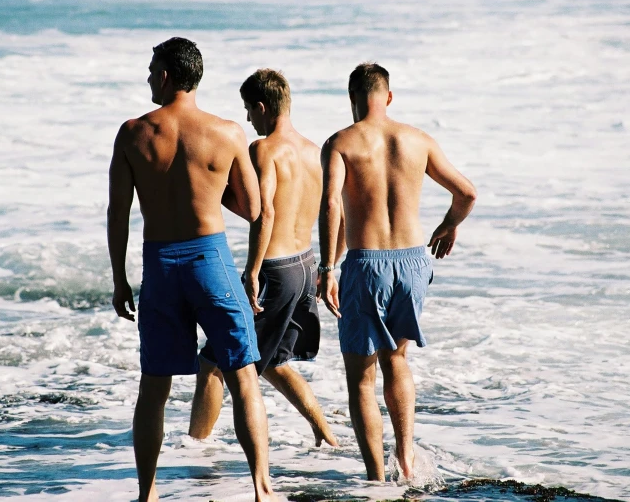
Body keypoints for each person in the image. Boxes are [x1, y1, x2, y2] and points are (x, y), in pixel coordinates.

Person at [107, 37, 278, 502]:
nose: (147, 77)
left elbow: (118, 211)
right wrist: (210, 185)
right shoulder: (226, 133)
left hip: (159, 264)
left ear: (165, 76)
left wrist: (120, 277)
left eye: (150, 70)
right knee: (242, 373)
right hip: (211, 261)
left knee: (154, 387)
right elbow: (255, 207)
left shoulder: (133, 133)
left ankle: (147, 493)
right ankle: (262, 489)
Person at [317, 63, 477, 482]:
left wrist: (326, 268)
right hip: (412, 262)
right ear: (388, 97)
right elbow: (467, 192)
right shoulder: (418, 140)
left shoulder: (340, 143)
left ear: (352, 99)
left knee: (360, 378)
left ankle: (376, 478)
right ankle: (405, 460)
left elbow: (333, 206)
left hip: (366, 264)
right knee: (397, 360)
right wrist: (449, 225)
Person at [189, 69, 338, 448]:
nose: (248, 120)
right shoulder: (312, 150)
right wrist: (326, 267)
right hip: (305, 264)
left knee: (215, 360)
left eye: (248, 111)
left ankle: (193, 451)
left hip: (275, 269)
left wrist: (252, 270)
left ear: (262, 106)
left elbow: (265, 212)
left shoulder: (264, 150)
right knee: (272, 361)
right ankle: (326, 433)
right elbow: (327, 210)